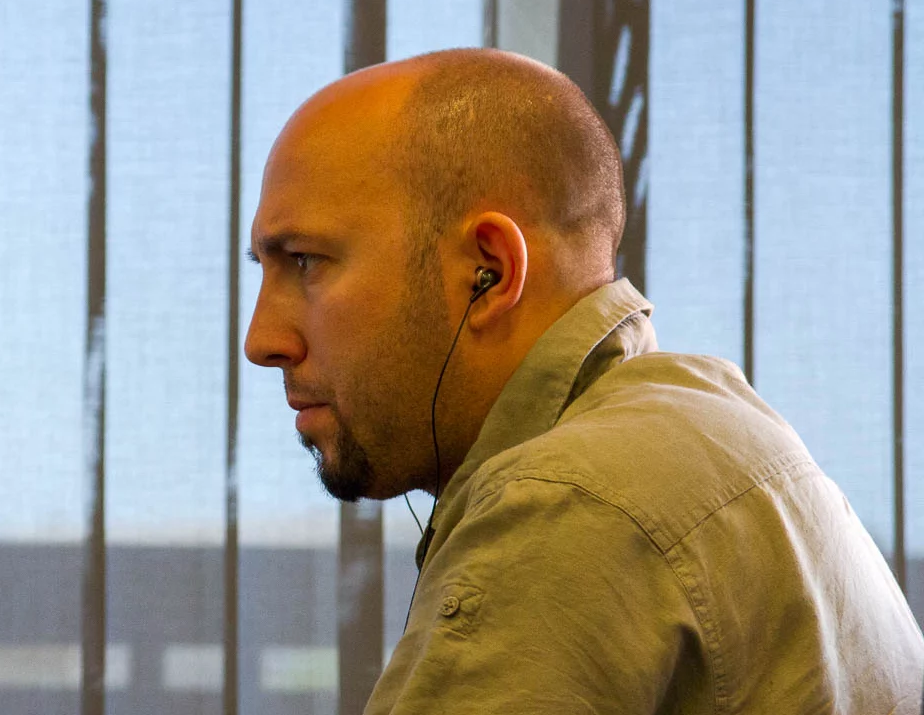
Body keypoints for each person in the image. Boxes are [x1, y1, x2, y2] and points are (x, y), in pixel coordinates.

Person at [243, 47, 924, 713]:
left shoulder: (568, 502)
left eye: (305, 262)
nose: (261, 342)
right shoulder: (713, 420)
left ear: (491, 271)